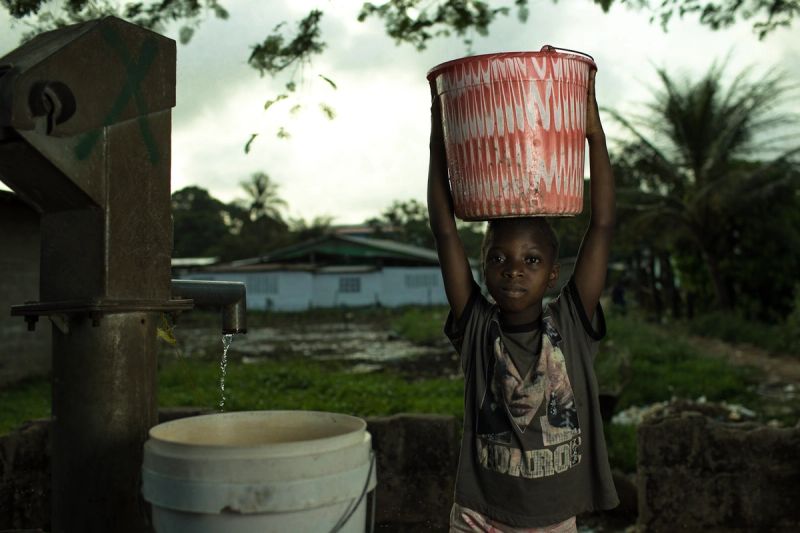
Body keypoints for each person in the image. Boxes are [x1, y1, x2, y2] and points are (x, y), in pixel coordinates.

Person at [428, 68, 619, 532]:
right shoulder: (476, 325)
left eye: (531, 260)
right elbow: (445, 229)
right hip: (479, 514)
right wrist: (441, 136)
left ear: (553, 273)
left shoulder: (571, 321)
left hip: (551, 519)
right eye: (499, 258)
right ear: (484, 267)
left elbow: (602, 226)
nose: (514, 269)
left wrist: (593, 135)